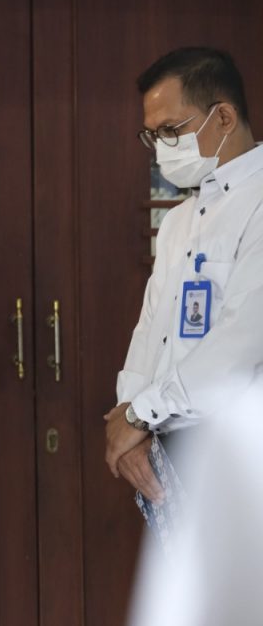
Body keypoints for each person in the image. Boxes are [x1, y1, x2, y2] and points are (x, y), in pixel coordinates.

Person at [105, 47, 263, 505]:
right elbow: (150, 329)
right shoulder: (179, 221)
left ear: (224, 117)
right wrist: (129, 417)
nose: (161, 148)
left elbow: (240, 344)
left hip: (240, 447)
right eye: (152, 135)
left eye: (171, 131)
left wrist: (139, 415)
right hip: (167, 443)